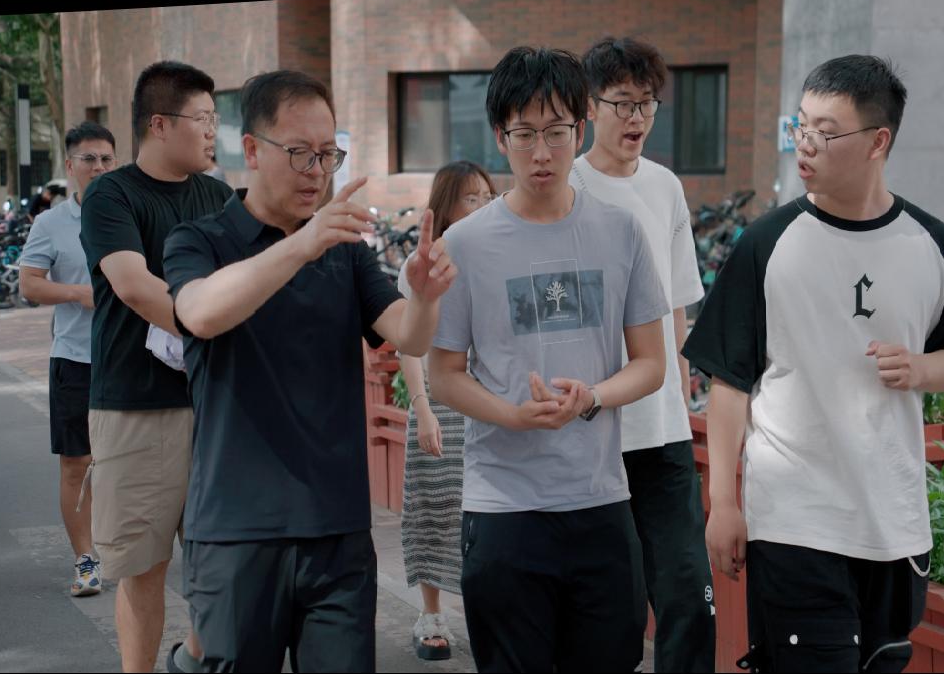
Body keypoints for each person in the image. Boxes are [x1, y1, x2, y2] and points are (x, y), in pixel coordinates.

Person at [684, 54, 944, 673]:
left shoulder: (932, 244)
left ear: (879, 142)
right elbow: (729, 384)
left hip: (894, 526)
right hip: (795, 521)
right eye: (801, 125)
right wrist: (724, 504)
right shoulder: (766, 244)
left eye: (826, 131)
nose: (806, 144)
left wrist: (920, 370)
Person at [162, 69, 457, 672]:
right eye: (300, 153)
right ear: (251, 149)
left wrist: (426, 297)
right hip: (236, 529)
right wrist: (303, 244)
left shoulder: (345, 250)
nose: (318, 172)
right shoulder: (200, 239)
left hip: (337, 530)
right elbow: (200, 314)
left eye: (328, 154)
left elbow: (408, 334)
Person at [428, 46, 669, 673]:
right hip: (504, 508)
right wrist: (511, 415)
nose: (542, 153)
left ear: (580, 130)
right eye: (525, 134)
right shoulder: (465, 243)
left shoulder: (621, 230)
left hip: (600, 500)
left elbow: (651, 363)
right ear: (500, 136)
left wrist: (593, 397)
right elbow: (443, 375)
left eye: (557, 132)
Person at [79, 60, 232, 674]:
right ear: (160, 124)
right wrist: (210, 326)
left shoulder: (219, 197)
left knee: (225, 561)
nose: (214, 131)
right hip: (136, 408)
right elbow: (134, 286)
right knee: (143, 569)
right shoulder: (111, 195)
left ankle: (193, 658)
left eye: (217, 119)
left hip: (216, 404)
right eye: (204, 118)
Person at [571, 35, 716, 673]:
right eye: (623, 103)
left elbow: (676, 305)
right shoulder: (567, 185)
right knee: (613, 607)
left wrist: (681, 398)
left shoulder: (664, 187)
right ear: (590, 107)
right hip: (593, 431)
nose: (637, 118)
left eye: (647, 104)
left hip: (663, 430)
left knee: (688, 594)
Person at [397, 160, 495, 661]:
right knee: (433, 506)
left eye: (486, 197)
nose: (480, 206)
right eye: (470, 198)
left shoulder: (499, 253)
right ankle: (431, 613)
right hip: (438, 402)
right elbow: (408, 344)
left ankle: (487, 612)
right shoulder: (423, 260)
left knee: (484, 512)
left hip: (486, 403)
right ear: (447, 205)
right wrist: (422, 408)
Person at [18, 121, 117, 598]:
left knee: (138, 461)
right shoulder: (50, 223)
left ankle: (136, 550)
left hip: (132, 359)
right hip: (75, 359)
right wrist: (78, 293)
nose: (98, 167)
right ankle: (86, 560)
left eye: (106, 159)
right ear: (70, 165)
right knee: (78, 463)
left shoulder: (131, 212)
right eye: (88, 159)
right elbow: (30, 284)